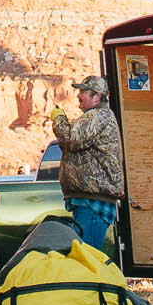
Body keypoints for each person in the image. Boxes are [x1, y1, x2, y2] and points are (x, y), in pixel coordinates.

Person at [51, 75, 124, 255]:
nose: (79, 96)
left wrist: (59, 120)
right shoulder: (94, 118)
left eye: (84, 92)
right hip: (88, 199)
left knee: (88, 257)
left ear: (97, 97)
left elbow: (72, 140)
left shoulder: (98, 116)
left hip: (92, 202)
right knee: (87, 255)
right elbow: (72, 142)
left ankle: (94, 284)